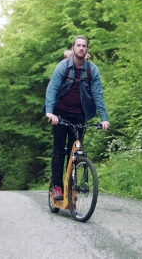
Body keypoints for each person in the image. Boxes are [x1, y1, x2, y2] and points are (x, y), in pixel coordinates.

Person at [45, 36, 109, 200]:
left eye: (84, 46)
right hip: (60, 113)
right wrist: (50, 112)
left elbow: (97, 94)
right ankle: (56, 186)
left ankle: (70, 185)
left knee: (75, 151)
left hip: (80, 114)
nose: (81, 48)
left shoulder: (92, 70)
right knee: (59, 150)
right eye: (78, 45)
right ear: (73, 48)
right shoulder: (63, 67)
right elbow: (52, 89)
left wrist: (104, 118)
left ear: (87, 49)